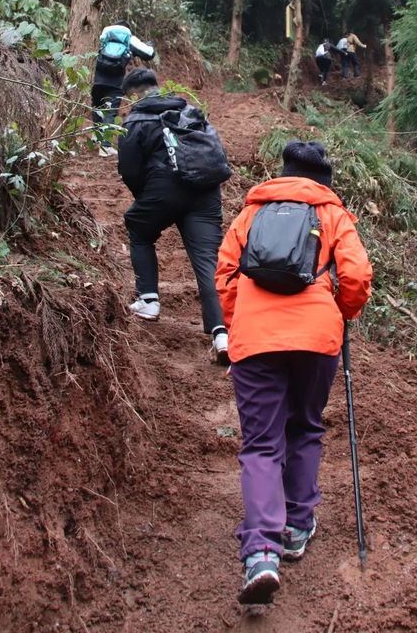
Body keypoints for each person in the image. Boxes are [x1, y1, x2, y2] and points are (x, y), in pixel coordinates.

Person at [216, 140, 372, 604]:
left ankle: (261, 552)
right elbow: (358, 277)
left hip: (256, 339)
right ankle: (297, 526)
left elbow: (224, 274)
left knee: (262, 442)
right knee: (305, 426)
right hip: (317, 340)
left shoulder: (251, 213)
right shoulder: (332, 214)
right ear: (323, 180)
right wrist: (340, 312)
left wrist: (239, 319)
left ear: (282, 172)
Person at [117, 68, 230, 365]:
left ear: (133, 94)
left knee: (138, 227)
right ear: (157, 86)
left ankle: (149, 300)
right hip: (205, 190)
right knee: (208, 259)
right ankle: (222, 335)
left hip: (162, 190)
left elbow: (128, 170)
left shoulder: (136, 120)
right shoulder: (189, 109)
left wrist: (147, 197)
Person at [91, 21, 155, 156]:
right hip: (115, 82)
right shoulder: (128, 38)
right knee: (110, 111)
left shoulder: (104, 35)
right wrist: (150, 45)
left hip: (96, 78)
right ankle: (105, 147)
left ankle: (96, 137)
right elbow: (149, 53)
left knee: (97, 106)